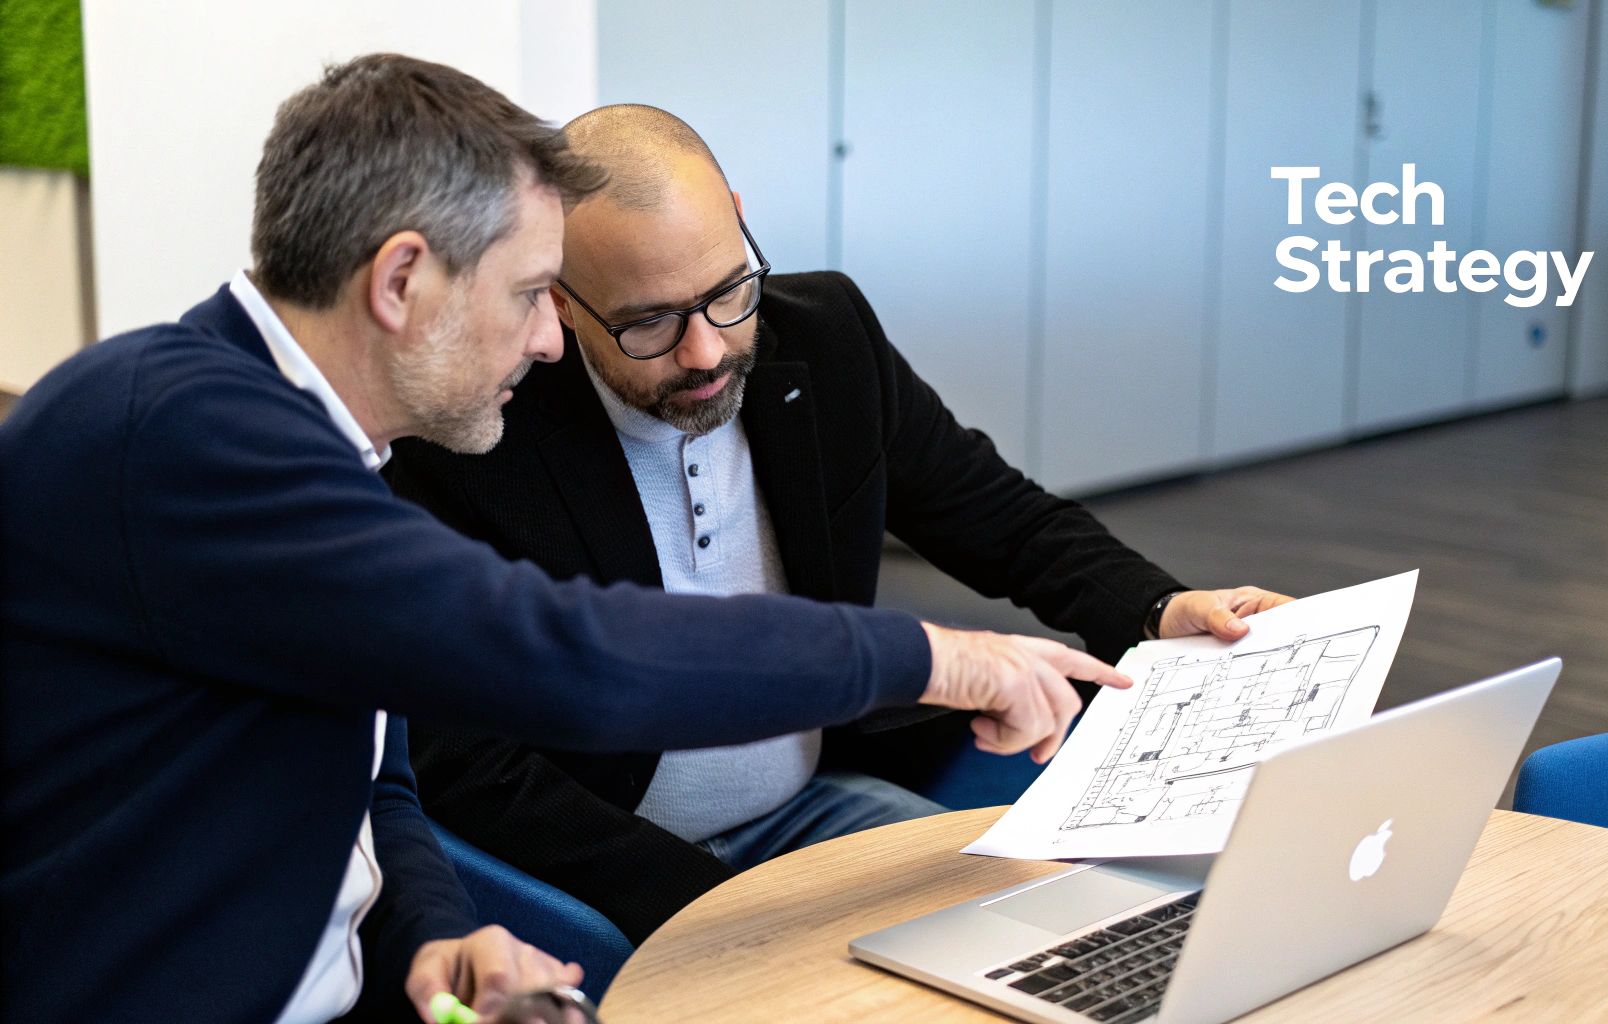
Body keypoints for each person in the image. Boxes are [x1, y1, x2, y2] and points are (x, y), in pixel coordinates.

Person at [0, 58, 1126, 1024]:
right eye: (534, 292)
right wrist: (934, 656)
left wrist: (434, 940)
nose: (550, 340)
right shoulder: (182, 438)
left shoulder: (303, 440)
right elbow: (567, 654)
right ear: (402, 281)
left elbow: (373, 772)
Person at [384, 104, 1293, 943]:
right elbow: (464, 760)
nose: (706, 350)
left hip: (811, 804)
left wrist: (1158, 609)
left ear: (738, 219)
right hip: (608, 852)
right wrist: (708, 904)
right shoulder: (473, 433)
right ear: (557, 297)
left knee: (1041, 937)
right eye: (648, 324)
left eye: (727, 291)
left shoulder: (825, 335)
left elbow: (998, 514)